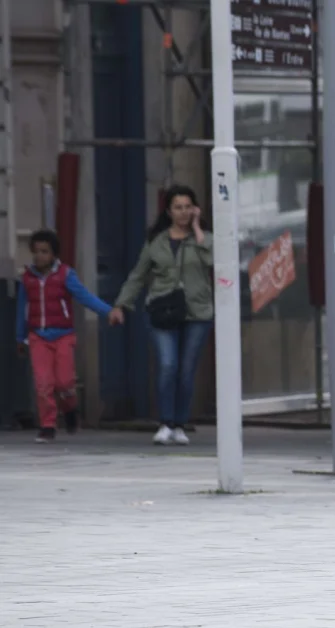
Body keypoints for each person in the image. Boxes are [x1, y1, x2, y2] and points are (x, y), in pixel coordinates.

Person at [108, 185, 213, 446]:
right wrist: (121, 305)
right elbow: (138, 275)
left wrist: (198, 228)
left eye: (188, 207)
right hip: (162, 311)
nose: (184, 212)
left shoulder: (204, 238)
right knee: (168, 365)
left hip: (196, 312)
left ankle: (180, 424)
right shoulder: (156, 241)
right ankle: (165, 422)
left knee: (186, 370)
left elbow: (214, 261)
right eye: (178, 207)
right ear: (168, 211)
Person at [16, 230, 112, 443]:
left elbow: (84, 297)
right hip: (38, 336)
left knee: (64, 382)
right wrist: (20, 337)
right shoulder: (27, 278)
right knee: (43, 383)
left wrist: (108, 311)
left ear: (54, 255)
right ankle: (47, 425)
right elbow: (23, 308)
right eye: (36, 252)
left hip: (62, 336)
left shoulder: (65, 275)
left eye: (45, 252)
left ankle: (70, 409)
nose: (40, 256)